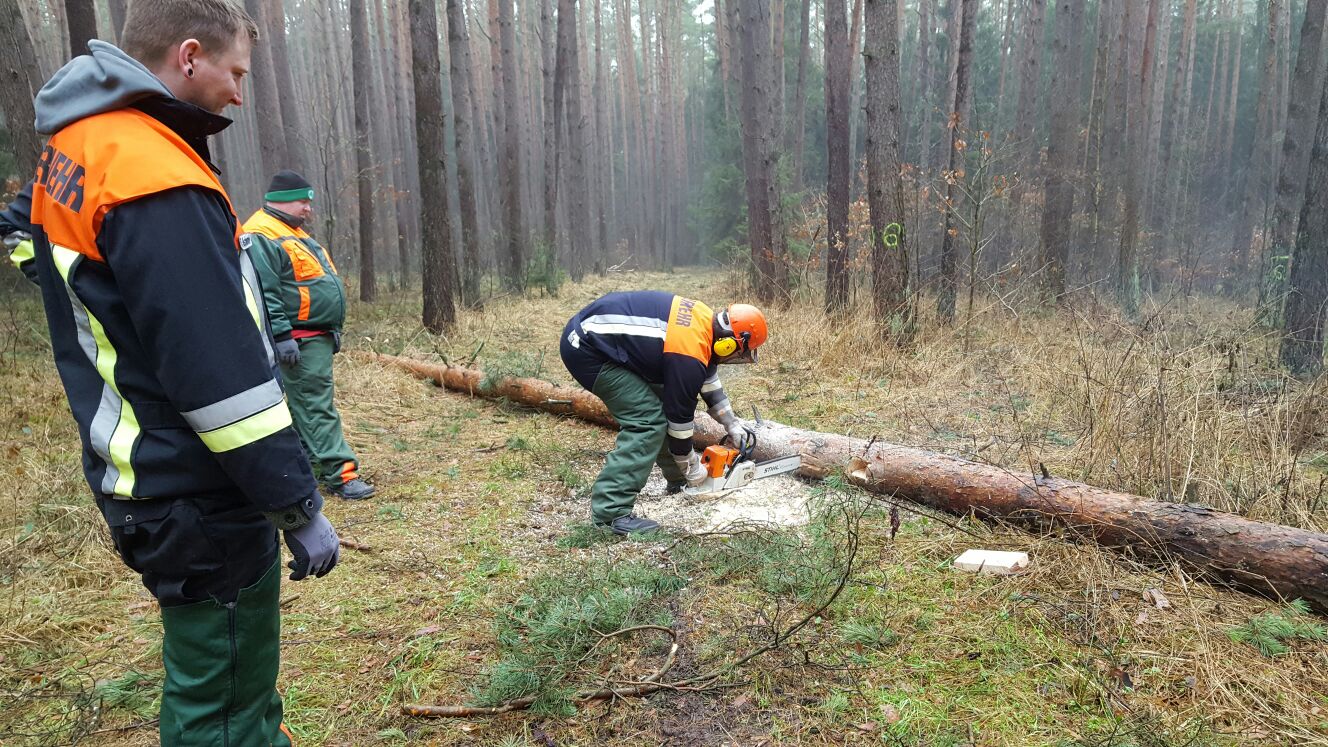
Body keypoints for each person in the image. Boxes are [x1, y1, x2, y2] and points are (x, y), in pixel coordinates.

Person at [23, 1, 339, 743]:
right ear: (189, 56)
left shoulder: (78, 145)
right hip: (193, 486)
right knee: (222, 702)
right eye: (236, 73)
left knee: (235, 687)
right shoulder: (152, 175)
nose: (240, 95)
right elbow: (219, 376)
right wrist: (297, 506)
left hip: (141, 466)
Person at [560, 291, 768, 534]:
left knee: (659, 403)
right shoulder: (687, 355)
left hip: (598, 337)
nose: (734, 358)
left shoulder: (703, 322)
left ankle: (677, 480)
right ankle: (610, 514)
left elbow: (706, 373)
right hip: (587, 350)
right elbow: (679, 420)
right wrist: (691, 465)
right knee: (647, 420)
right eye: (738, 352)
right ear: (728, 343)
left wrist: (731, 423)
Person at [243, 171, 375, 500]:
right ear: (282, 200)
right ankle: (342, 474)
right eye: (302, 201)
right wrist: (282, 335)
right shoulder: (262, 233)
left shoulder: (293, 233)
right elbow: (266, 291)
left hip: (314, 334)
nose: (308, 208)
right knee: (316, 405)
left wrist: (331, 328)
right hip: (299, 338)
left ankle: (311, 467)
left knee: (306, 404)